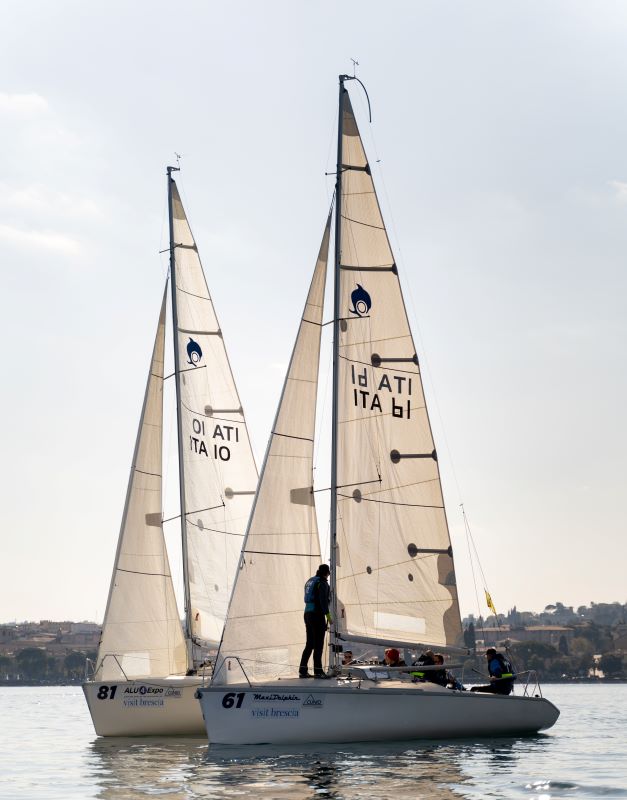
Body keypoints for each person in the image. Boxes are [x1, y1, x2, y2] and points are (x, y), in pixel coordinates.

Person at [299, 564, 332, 679]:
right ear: (326, 573)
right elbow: (323, 601)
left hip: (307, 614)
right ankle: (318, 672)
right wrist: (328, 617)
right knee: (318, 644)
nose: (329, 575)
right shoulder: (322, 583)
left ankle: (302, 670)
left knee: (310, 644)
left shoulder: (311, 580)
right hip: (317, 615)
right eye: (328, 573)